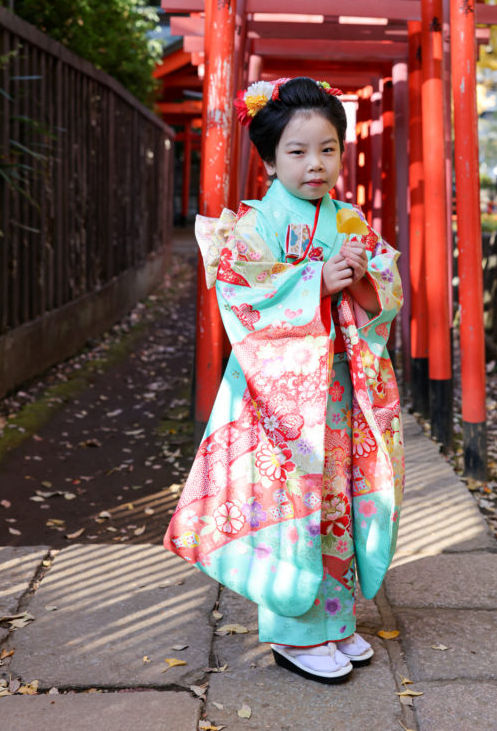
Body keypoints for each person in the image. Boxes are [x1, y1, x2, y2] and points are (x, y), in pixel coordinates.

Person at [164, 76, 404, 685]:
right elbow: (241, 296)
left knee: (340, 502)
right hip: (279, 398)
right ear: (270, 160)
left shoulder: (349, 220)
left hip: (341, 391)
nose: (315, 164)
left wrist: (361, 278)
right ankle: (294, 634)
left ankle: (335, 621)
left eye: (328, 149)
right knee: (292, 508)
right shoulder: (254, 225)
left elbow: (384, 295)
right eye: (297, 152)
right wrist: (314, 283)